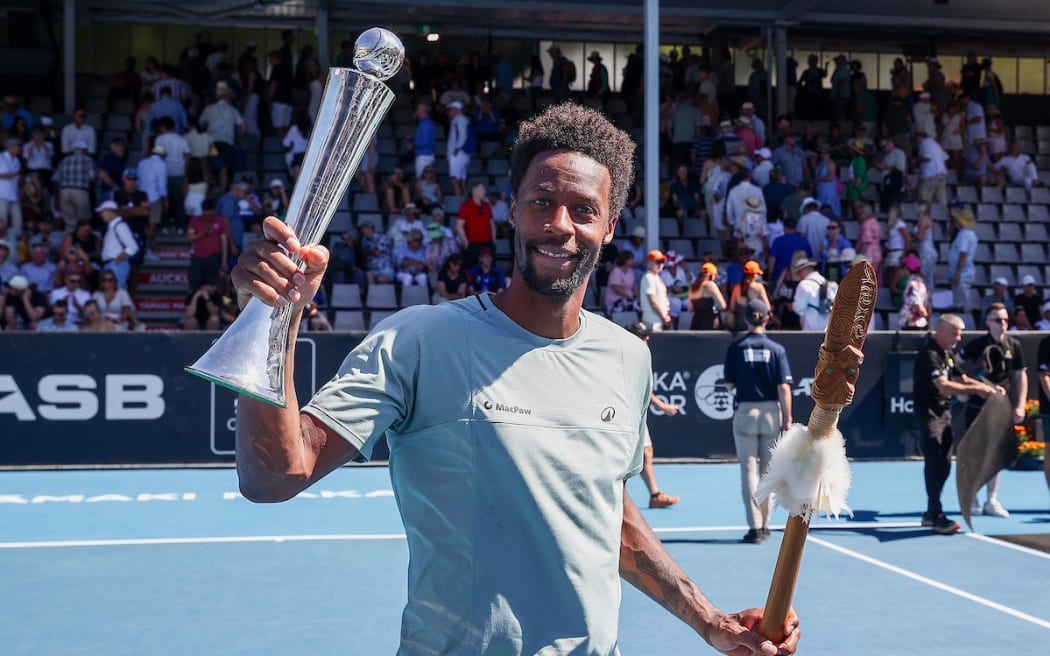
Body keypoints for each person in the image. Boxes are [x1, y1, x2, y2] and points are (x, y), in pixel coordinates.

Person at [227, 102, 799, 656]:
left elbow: (609, 515)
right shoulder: (419, 341)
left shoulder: (627, 355)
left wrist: (710, 620)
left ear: (609, 223)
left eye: (582, 209)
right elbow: (275, 474)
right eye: (541, 202)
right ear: (512, 209)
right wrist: (269, 318)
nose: (559, 225)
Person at [913, 314, 1001, 535]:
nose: (959, 338)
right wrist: (979, 390)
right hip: (929, 413)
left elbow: (962, 378)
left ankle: (931, 512)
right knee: (935, 460)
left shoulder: (946, 353)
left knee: (944, 462)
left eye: (960, 333)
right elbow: (943, 385)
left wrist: (988, 387)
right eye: (955, 333)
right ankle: (935, 513)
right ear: (941, 331)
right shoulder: (929, 353)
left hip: (944, 412)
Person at [723, 299, 793, 543]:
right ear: (766, 317)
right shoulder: (776, 349)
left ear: (746, 319)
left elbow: (730, 384)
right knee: (767, 472)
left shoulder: (736, 347)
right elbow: (783, 387)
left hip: (745, 410)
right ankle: (765, 524)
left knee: (748, 471)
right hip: (770, 412)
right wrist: (787, 417)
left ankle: (754, 526)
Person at [958, 303, 1026, 518]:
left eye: (1006, 320)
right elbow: (955, 365)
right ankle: (973, 498)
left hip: (1001, 407)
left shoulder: (1014, 345)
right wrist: (965, 388)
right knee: (975, 453)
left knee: (995, 454)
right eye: (998, 320)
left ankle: (991, 500)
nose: (1003, 324)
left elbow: (1019, 376)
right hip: (977, 406)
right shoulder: (976, 345)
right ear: (988, 323)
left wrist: (1020, 404)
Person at [623, 321, 680, 508]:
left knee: (646, 452)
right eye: (643, 336)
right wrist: (663, 407)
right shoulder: (626, 357)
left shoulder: (639, 356)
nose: (647, 338)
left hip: (636, 414)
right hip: (624, 415)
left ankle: (655, 495)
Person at [791, 258, 835, 332]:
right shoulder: (829, 283)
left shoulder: (804, 284)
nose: (799, 275)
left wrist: (791, 306)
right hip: (828, 329)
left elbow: (799, 308)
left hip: (810, 329)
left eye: (799, 272)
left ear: (804, 270)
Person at [687, 261, 727, 330]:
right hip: (710, 322)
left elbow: (691, 309)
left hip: (696, 322)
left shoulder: (693, 287)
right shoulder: (710, 284)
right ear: (712, 275)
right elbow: (723, 305)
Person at [640, 249, 671, 331]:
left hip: (660, 319)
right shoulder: (648, 277)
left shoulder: (656, 277)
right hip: (652, 320)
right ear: (650, 262)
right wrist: (664, 317)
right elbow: (653, 302)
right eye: (658, 262)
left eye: (662, 261)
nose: (661, 264)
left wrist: (666, 315)